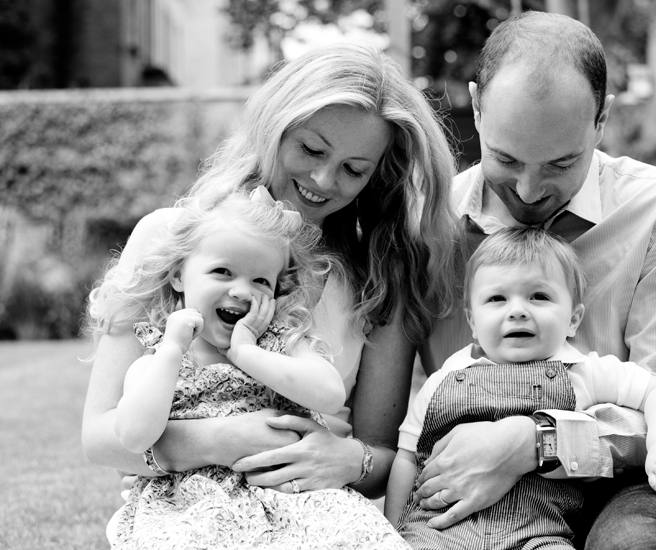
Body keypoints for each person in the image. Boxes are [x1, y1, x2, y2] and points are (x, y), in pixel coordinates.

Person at [81, 42, 462, 535]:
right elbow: (100, 438)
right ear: (275, 126)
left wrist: (352, 460)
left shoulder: (379, 276)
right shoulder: (172, 240)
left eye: (354, 169)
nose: (323, 180)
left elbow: (384, 455)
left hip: (316, 510)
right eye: (311, 148)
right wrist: (225, 439)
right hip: (194, 510)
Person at [415, 11, 656, 550]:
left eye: (561, 163)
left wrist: (532, 441)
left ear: (601, 118)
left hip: (627, 489)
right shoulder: (430, 219)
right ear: (477, 105)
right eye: (506, 160)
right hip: (474, 499)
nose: (530, 191)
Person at [88, 191, 408, 548]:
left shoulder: (281, 345)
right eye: (222, 272)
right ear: (179, 276)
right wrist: (171, 351)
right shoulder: (159, 360)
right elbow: (133, 437)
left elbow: (329, 394)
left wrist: (245, 353)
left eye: (260, 281)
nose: (241, 291)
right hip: (193, 506)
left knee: (358, 535)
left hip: (293, 499)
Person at [386, 227, 656, 549]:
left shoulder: (582, 371)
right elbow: (408, 458)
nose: (517, 310)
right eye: (497, 298)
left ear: (573, 319)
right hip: (436, 531)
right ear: (473, 322)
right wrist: (392, 532)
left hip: (538, 536)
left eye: (539, 296)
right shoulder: (443, 380)